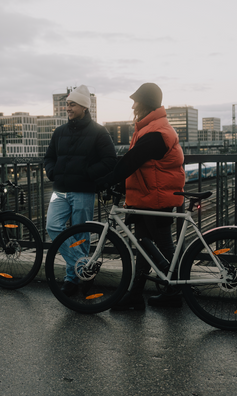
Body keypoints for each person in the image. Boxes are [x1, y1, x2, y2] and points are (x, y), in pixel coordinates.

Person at [96, 82, 185, 310]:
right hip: (147, 198)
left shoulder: (156, 133)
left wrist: (105, 180)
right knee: (144, 248)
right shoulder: (150, 128)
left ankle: (175, 291)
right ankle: (136, 295)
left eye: (136, 100)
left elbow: (130, 162)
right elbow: (139, 166)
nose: (133, 105)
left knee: (164, 248)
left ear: (145, 103)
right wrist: (120, 185)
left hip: (155, 200)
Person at [44, 85, 116, 296]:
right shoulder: (59, 132)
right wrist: (52, 172)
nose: (67, 107)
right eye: (66, 104)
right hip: (60, 190)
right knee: (52, 227)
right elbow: (49, 157)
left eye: (72, 104)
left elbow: (109, 161)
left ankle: (72, 279)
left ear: (84, 107)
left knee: (81, 236)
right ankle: (84, 267)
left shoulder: (98, 131)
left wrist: (87, 174)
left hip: (83, 191)